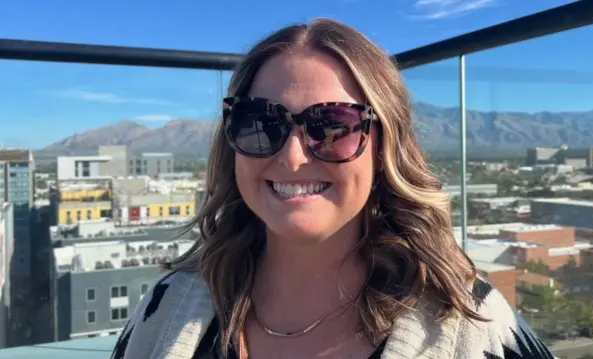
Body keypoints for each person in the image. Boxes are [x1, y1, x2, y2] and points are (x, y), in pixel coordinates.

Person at [110, 18, 554, 359]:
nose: (293, 157)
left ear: (386, 148)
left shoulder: (470, 328)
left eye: (331, 126)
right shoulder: (169, 308)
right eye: (260, 123)